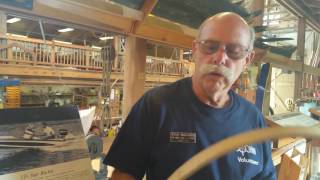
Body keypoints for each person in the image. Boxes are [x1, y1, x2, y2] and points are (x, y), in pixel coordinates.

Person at [104, 12, 276, 179]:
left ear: (247, 59)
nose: (220, 58)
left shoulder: (253, 119)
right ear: (195, 49)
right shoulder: (156, 106)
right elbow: (124, 174)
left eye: (235, 51)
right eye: (210, 47)